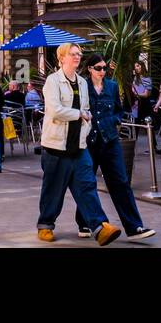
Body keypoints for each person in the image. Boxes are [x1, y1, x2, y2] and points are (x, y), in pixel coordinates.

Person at [35, 42, 120, 245]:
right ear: (62, 58)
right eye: (73, 54)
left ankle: (100, 227)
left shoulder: (82, 82)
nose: (77, 57)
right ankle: (45, 225)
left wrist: (86, 122)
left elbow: (86, 109)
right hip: (56, 145)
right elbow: (55, 110)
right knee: (54, 189)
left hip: (78, 145)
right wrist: (79, 114)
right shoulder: (52, 81)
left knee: (87, 186)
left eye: (79, 54)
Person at [77, 54, 154, 241]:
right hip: (88, 142)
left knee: (120, 183)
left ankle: (134, 226)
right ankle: (84, 222)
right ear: (89, 69)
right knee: (88, 183)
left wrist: (115, 121)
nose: (102, 71)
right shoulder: (82, 87)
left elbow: (120, 110)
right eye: (98, 68)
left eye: (104, 68)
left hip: (110, 141)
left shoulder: (111, 87)